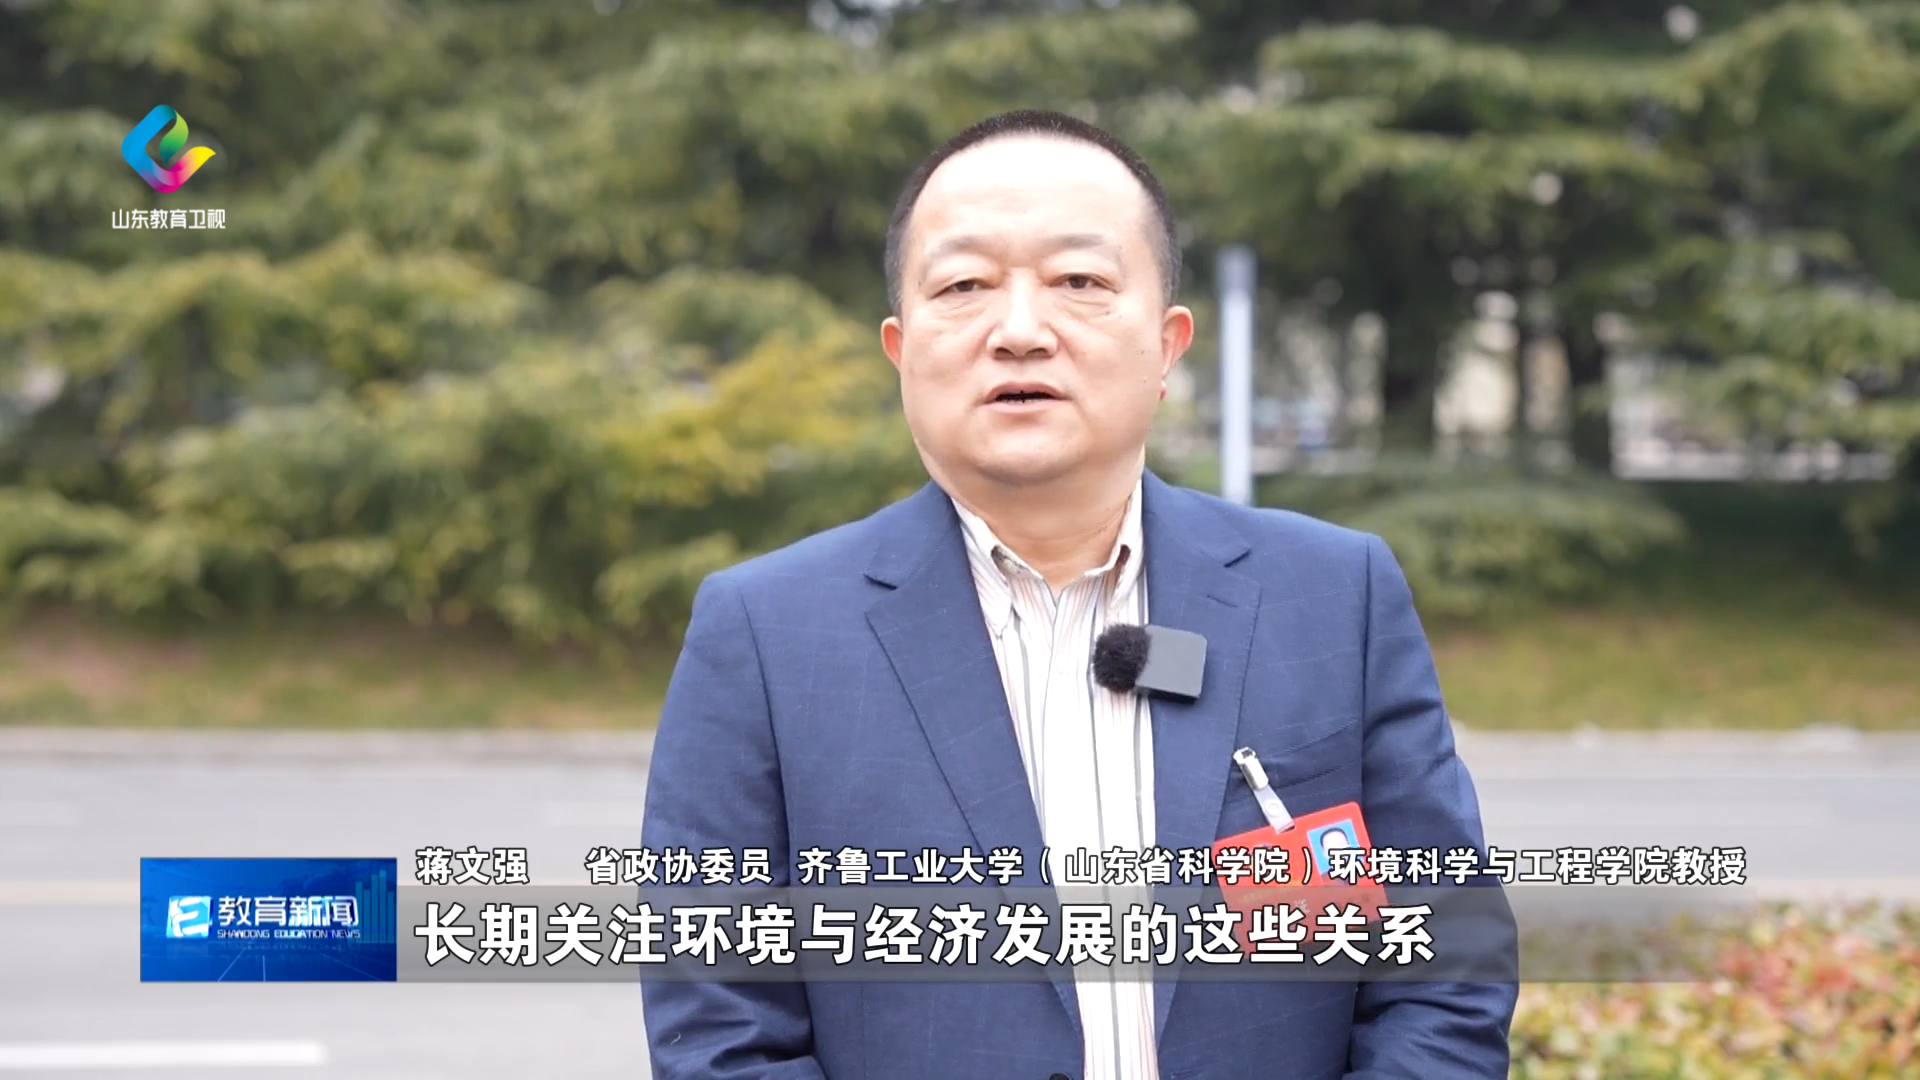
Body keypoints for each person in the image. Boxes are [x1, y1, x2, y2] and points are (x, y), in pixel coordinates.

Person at [641, 108, 1516, 1080]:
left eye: (1080, 282)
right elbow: (722, 1031)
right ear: (901, 347)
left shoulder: (1334, 596)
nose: (1020, 332)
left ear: (1168, 343)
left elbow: (1450, 966)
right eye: (963, 286)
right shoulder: (765, 634)